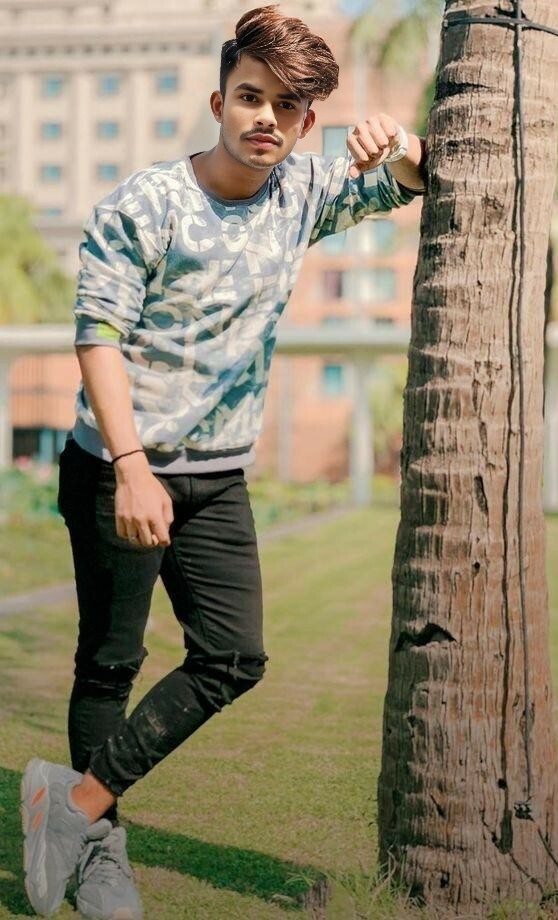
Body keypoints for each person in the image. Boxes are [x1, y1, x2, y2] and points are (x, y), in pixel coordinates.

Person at [20, 5, 427, 918]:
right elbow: (98, 337)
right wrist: (131, 466)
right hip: (118, 465)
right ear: (218, 101)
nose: (265, 119)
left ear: (307, 122)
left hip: (217, 474)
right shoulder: (146, 204)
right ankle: (103, 858)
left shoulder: (303, 194)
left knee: (234, 657)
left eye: (287, 106)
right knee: (111, 664)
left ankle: (75, 805)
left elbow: (415, 179)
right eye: (250, 97)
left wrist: (399, 141)